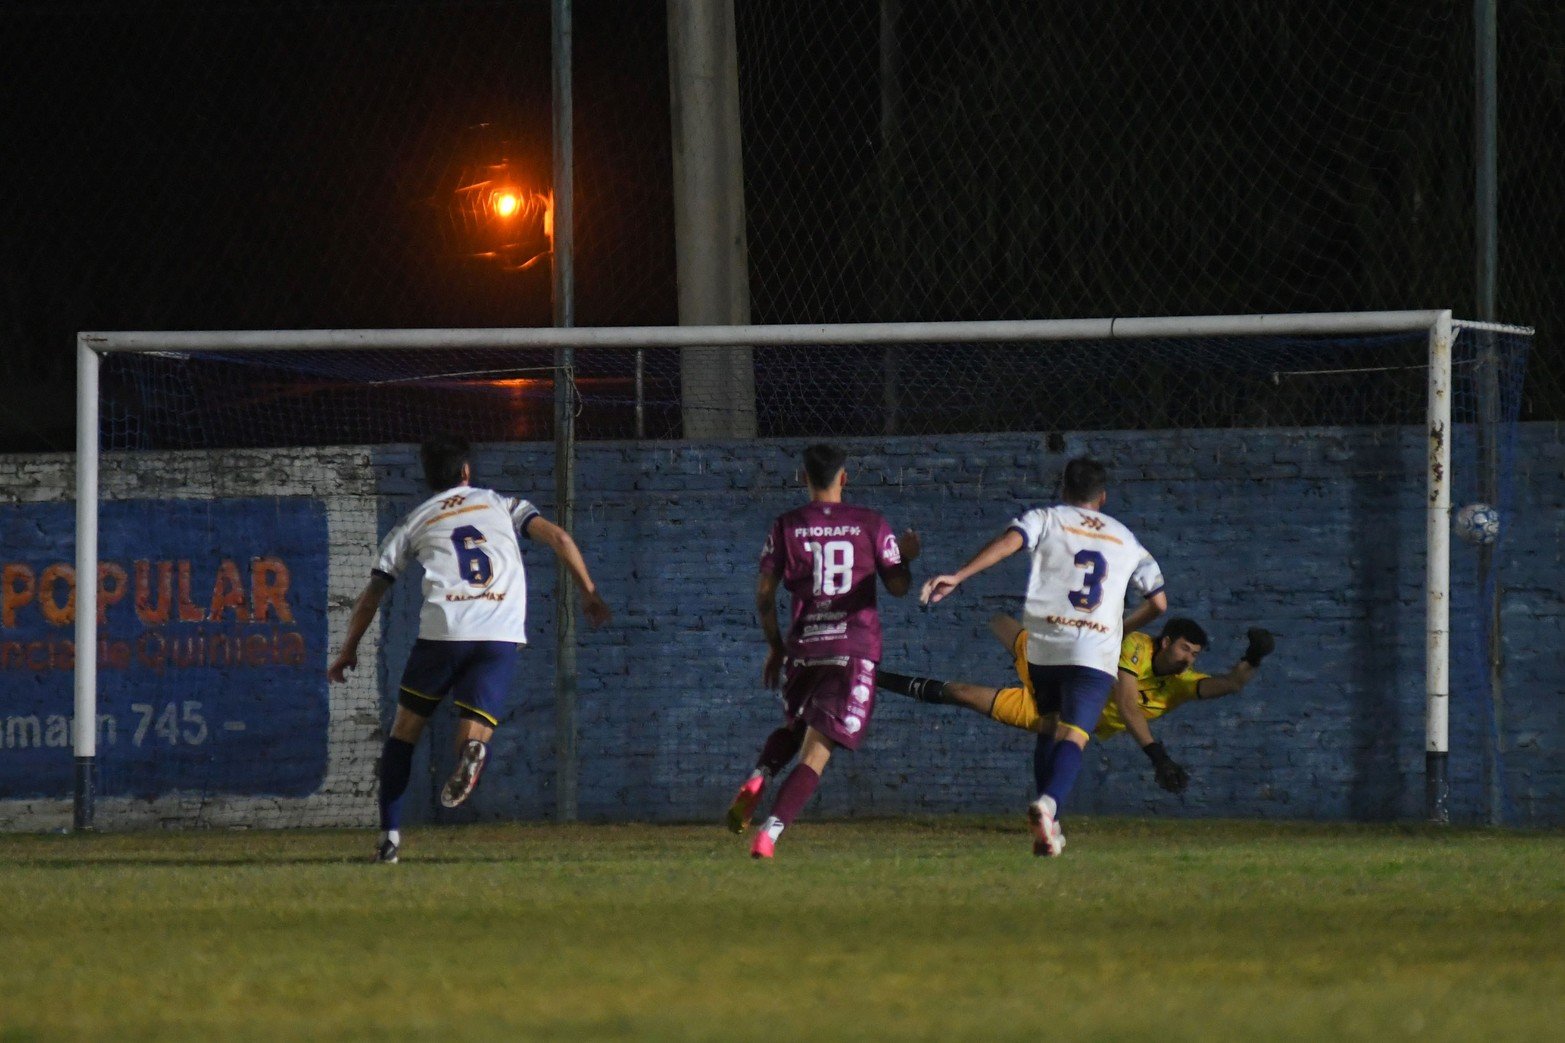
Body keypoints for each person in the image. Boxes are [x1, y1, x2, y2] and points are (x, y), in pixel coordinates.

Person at [327, 435, 611, 864]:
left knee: (404, 734)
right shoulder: (501, 503)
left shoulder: (413, 521)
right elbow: (558, 537)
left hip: (443, 632)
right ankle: (472, 750)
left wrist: (348, 648)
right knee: (476, 724)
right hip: (499, 629)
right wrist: (587, 591)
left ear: (430, 479)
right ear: (466, 472)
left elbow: (373, 593)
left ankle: (389, 840)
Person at [921, 456, 1163, 856]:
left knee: (1049, 725)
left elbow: (1008, 542)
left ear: (1064, 489)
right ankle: (1049, 805)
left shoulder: (1046, 517)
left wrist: (959, 576)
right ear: (1102, 496)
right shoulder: (1127, 539)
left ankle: (1048, 829)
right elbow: (1159, 602)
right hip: (1093, 648)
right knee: (1075, 733)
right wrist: (1122, 625)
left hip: (1044, 644)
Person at [726, 443, 919, 859]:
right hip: (852, 650)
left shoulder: (787, 526)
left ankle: (760, 775)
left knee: (796, 725)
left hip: (804, 648)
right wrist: (905, 558)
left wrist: (776, 648)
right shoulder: (871, 524)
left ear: (803, 478)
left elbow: (764, 594)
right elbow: (898, 586)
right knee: (817, 752)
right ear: (844, 477)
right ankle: (770, 833)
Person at [880, 614, 1276, 794]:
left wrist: (1254, 655)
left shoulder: (1181, 684)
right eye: (1185, 650)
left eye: (1196, 655)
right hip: (1055, 676)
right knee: (1009, 629)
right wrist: (1158, 756)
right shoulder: (1135, 647)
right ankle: (975, 612)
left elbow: (1231, 683)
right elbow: (1126, 703)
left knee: (963, 694)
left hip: (1057, 715)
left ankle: (875, 678)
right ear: (1165, 641)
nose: (1190, 660)